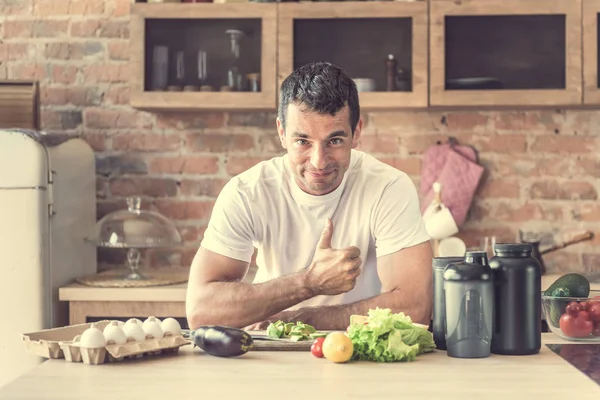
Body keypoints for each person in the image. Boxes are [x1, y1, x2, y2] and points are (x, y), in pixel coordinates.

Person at [185, 61, 433, 331]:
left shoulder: (389, 187)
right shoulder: (247, 192)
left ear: (357, 132)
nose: (319, 161)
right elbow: (201, 312)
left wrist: (300, 320)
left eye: (335, 141)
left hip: (359, 356)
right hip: (270, 356)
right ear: (281, 133)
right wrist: (309, 282)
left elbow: (415, 307)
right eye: (302, 141)